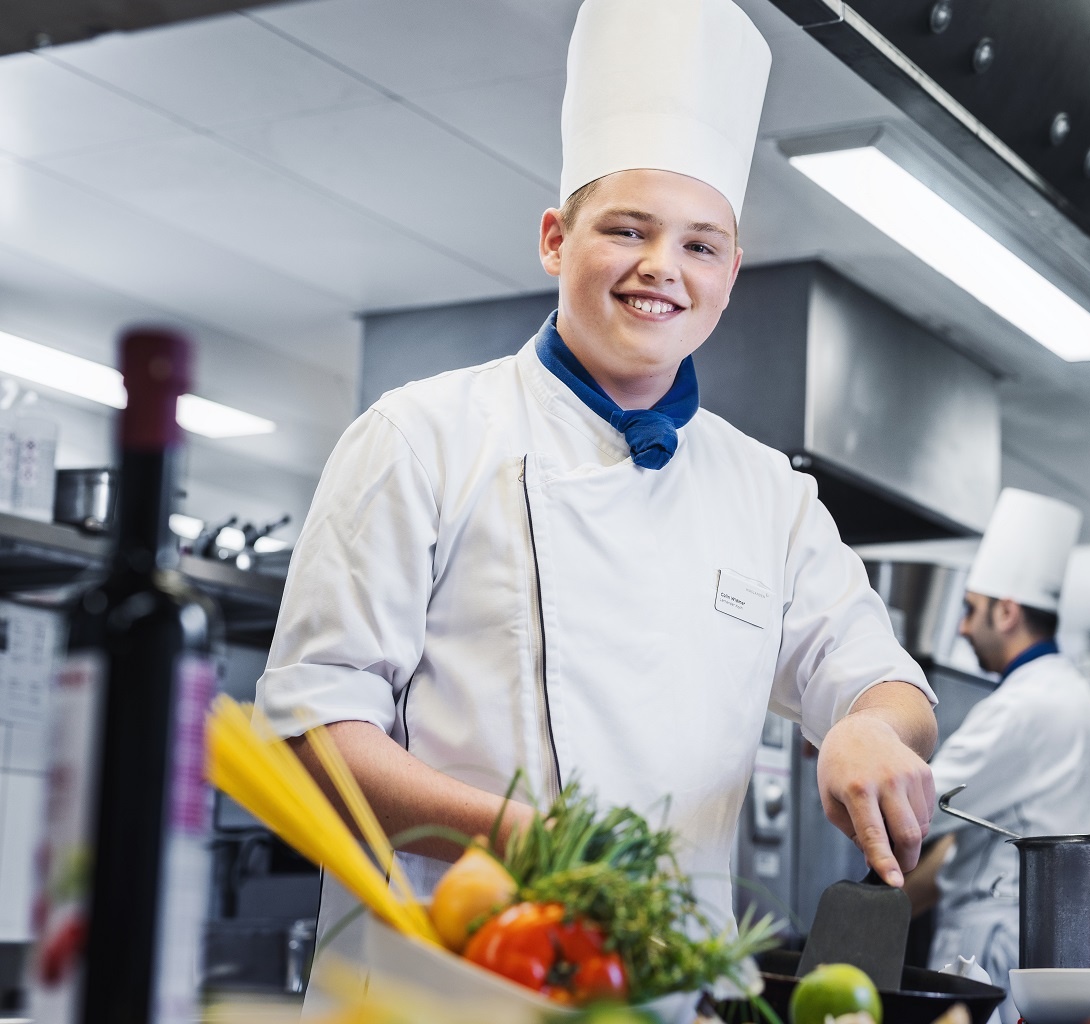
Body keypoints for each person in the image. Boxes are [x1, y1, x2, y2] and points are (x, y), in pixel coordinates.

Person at [255, 0, 937, 973]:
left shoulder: (770, 495)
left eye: (701, 244)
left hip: (673, 986)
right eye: (628, 229)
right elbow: (310, 735)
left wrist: (869, 730)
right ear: (553, 238)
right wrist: (528, 840)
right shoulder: (421, 437)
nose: (663, 268)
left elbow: (888, 684)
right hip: (443, 986)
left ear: (732, 272)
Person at [903, 489, 1090, 1024]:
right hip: (1050, 943)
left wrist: (854, 746)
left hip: (990, 947)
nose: (962, 628)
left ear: (1007, 611)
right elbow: (981, 836)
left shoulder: (1021, 707)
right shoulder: (1081, 704)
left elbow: (913, 804)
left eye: (971, 610)